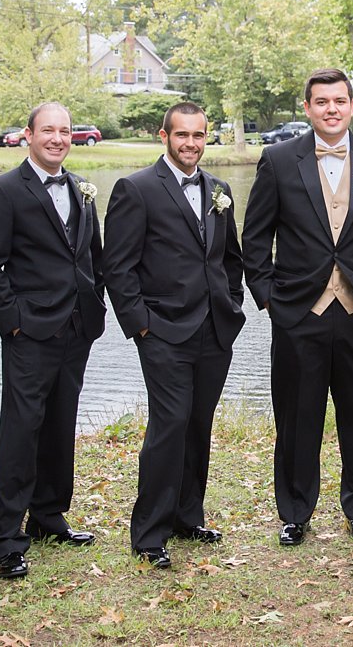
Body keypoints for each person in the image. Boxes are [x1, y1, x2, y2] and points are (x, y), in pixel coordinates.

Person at [243, 68, 353, 546]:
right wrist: (270, 299)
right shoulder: (277, 160)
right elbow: (255, 240)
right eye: (321, 101)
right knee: (297, 417)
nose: (331, 109)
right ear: (308, 108)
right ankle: (295, 512)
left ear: (351, 105)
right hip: (298, 312)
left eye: (339, 100)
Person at [104, 102, 245, 568]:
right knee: (169, 427)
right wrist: (141, 324)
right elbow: (118, 267)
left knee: (197, 426)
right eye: (181, 135)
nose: (191, 144)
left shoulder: (218, 189)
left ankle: (188, 516)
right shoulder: (136, 189)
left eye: (199, 135)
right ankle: (150, 532)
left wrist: (233, 304)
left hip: (214, 330)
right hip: (163, 332)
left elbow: (228, 259)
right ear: (163, 136)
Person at [0, 102, 106, 580]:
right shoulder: (4, 190)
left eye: (64, 131)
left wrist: (96, 303)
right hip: (30, 331)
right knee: (21, 430)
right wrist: (13, 322)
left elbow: (93, 255)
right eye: (47, 130)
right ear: (27, 135)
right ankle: (6, 537)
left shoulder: (81, 189)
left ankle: (49, 515)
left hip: (76, 328)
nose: (57, 138)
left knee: (59, 424)